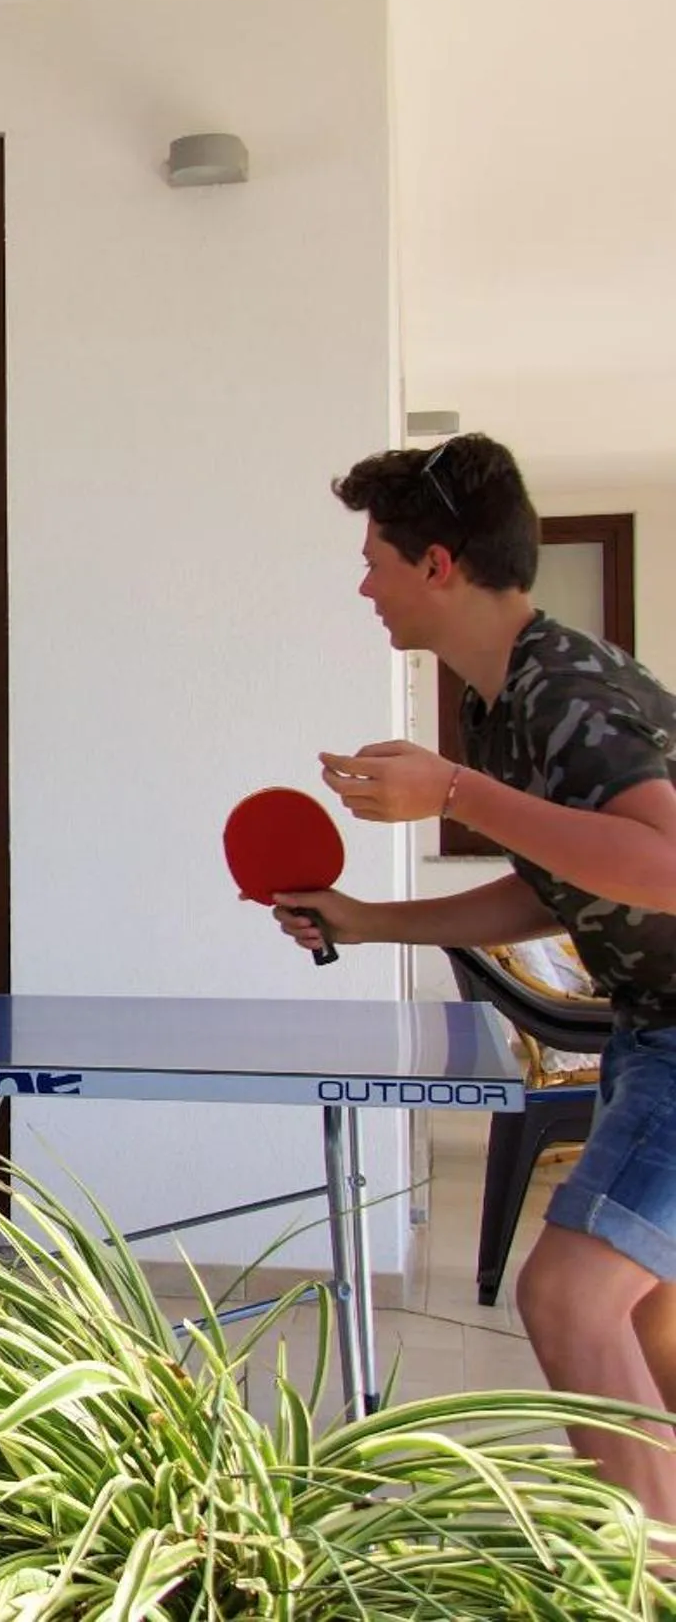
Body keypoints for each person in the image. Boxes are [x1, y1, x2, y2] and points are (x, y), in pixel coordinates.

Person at [268, 434, 676, 1517]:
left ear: (436, 563)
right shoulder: (507, 703)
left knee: (569, 1296)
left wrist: (453, 790)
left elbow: (666, 867)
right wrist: (367, 920)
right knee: (649, 1323)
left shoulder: (559, 691)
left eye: (375, 558)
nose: (363, 582)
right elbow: (566, 883)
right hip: (650, 1031)